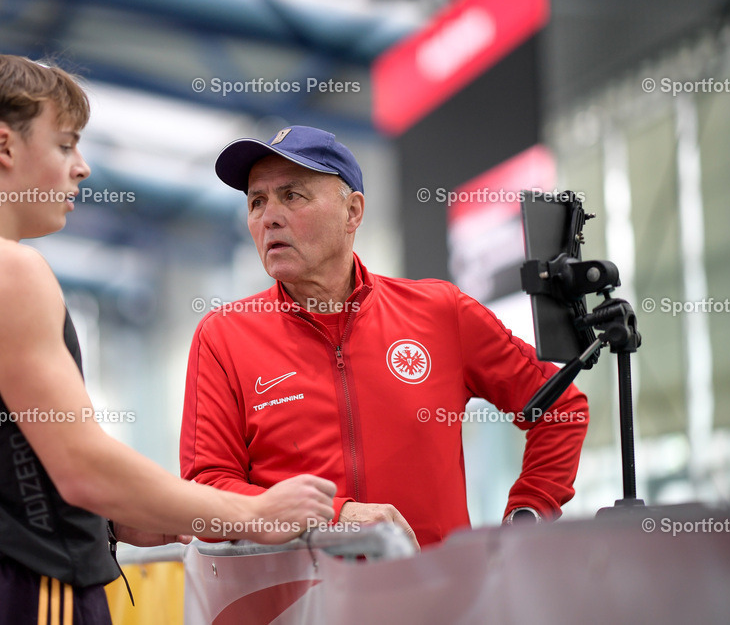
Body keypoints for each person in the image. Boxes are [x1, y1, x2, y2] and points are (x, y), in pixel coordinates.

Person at [0, 55, 336, 625]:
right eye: (65, 145)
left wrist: (106, 520)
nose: (81, 168)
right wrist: (254, 513)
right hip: (31, 595)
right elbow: (83, 468)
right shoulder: (8, 271)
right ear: (4, 147)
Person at [180, 125, 589, 549]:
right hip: (300, 608)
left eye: (292, 195)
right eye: (256, 202)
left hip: (438, 602)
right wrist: (333, 517)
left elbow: (561, 407)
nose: (269, 217)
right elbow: (205, 498)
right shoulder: (224, 338)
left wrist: (528, 512)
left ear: (353, 212)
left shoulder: (441, 312)